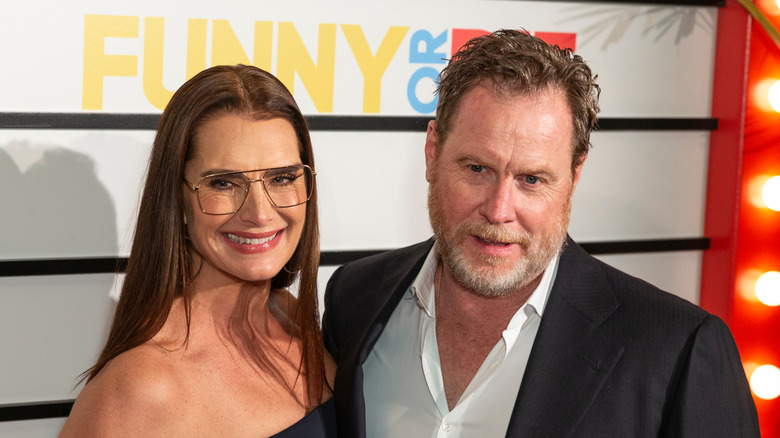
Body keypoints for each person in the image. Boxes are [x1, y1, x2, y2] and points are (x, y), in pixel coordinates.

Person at [322, 30, 759, 437]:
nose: (498, 210)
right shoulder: (354, 298)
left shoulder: (677, 351)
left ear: (575, 174)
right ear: (432, 151)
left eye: (531, 179)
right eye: (477, 169)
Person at [60, 65, 336, 437]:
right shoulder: (140, 389)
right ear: (179, 201)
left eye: (282, 178)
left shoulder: (293, 317)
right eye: (223, 183)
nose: (260, 213)